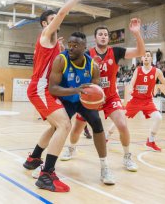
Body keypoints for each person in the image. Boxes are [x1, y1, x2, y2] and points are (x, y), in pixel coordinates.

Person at [23, 0, 97, 193]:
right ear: (45, 25)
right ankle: (46, 175)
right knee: (65, 125)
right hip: (40, 89)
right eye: (52, 19)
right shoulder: (46, 36)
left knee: (57, 125)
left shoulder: (54, 43)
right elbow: (64, 11)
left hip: (45, 88)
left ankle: (34, 158)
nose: (56, 21)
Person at [62, 18, 145, 172]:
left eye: (106, 34)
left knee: (122, 125)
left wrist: (137, 33)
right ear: (95, 38)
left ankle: (127, 157)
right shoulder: (87, 54)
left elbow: (140, 52)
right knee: (77, 130)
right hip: (90, 98)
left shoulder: (116, 52)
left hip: (110, 97)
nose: (103, 36)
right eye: (100, 34)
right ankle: (71, 148)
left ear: (108, 38)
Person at [48, 31, 115, 185]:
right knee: (57, 128)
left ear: (84, 47)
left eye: (75, 46)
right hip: (66, 99)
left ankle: (104, 167)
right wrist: (76, 90)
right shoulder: (61, 59)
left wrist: (98, 95)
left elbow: (95, 87)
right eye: (69, 45)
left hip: (83, 101)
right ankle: (47, 166)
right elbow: (53, 88)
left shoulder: (93, 66)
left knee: (97, 124)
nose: (70, 48)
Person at [106, 51, 165, 151]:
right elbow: (131, 83)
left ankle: (151, 140)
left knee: (158, 117)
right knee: (120, 120)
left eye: (148, 56)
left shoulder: (157, 71)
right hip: (135, 100)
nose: (146, 57)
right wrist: (131, 88)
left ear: (151, 59)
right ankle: (106, 137)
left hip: (147, 101)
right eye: (144, 56)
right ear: (141, 59)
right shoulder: (138, 70)